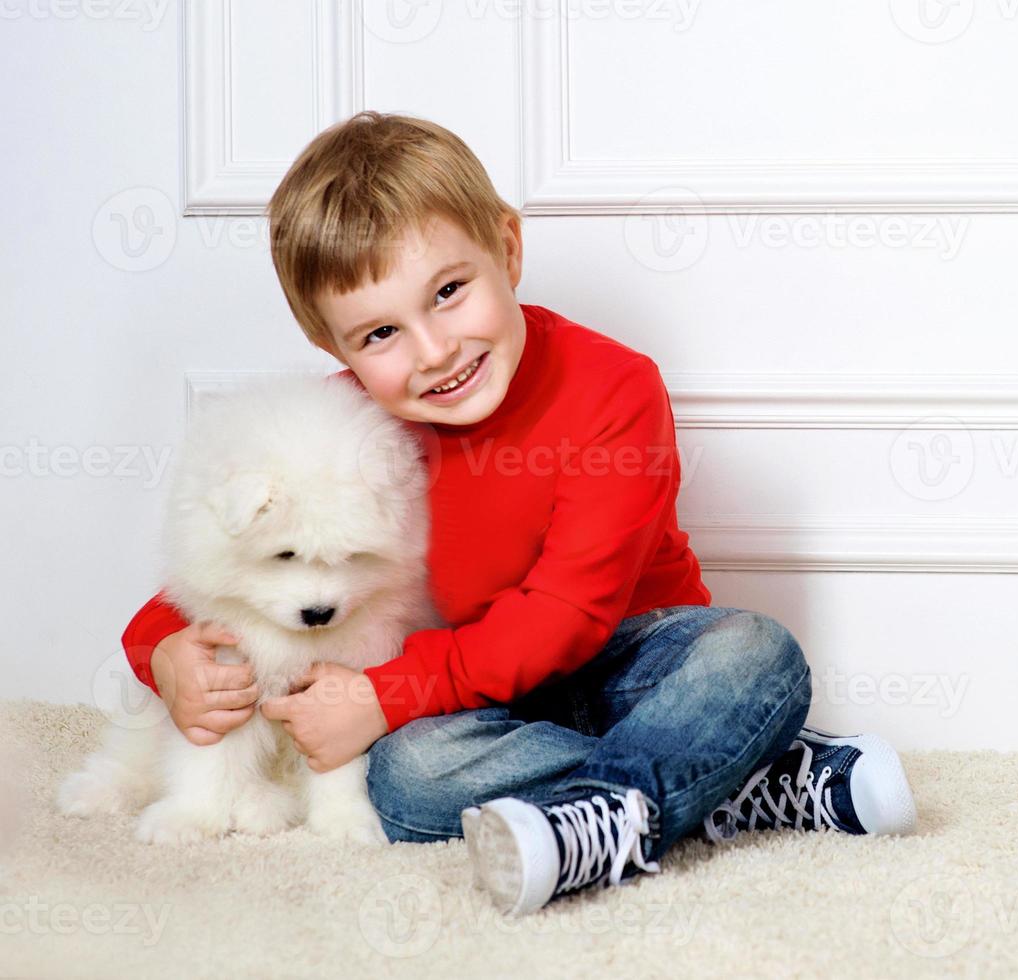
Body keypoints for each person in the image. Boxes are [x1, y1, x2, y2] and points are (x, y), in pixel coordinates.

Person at [122, 111, 917, 917]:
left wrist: (383, 697)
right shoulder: (342, 431)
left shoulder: (614, 389)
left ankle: (611, 810)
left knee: (752, 651)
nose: (433, 350)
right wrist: (162, 654)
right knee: (406, 781)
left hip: (625, 667)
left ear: (507, 248)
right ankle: (732, 783)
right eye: (381, 332)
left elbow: (566, 616)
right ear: (334, 348)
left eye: (448, 292)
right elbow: (222, 574)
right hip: (467, 704)